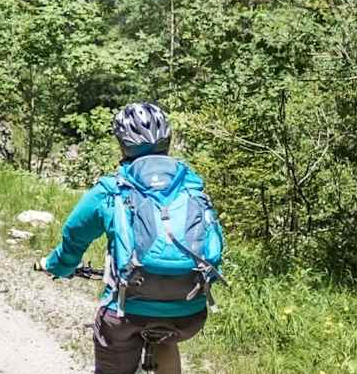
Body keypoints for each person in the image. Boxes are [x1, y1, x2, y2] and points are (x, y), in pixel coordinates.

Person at [33, 102, 224, 374]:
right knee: (169, 335)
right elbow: (214, 243)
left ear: (122, 144)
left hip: (125, 313)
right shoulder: (191, 186)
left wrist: (58, 266)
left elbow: (74, 237)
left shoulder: (111, 189)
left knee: (115, 341)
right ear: (167, 142)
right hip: (189, 312)